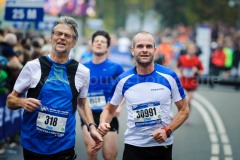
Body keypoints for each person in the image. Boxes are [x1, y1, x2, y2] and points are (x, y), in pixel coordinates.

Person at [6, 16, 103, 160]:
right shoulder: (33, 66)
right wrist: (22, 102)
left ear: (74, 42)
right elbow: (10, 100)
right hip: (33, 144)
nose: (62, 38)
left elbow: (82, 104)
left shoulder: (82, 72)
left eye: (67, 35)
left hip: (63, 145)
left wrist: (92, 127)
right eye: (58, 33)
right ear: (51, 37)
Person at [98, 31, 189, 160]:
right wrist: (102, 123)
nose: (145, 50)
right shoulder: (123, 80)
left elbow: (184, 110)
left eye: (148, 46)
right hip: (133, 146)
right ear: (133, 50)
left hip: (162, 146)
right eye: (140, 46)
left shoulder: (169, 76)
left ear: (155, 50)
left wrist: (167, 131)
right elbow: (108, 109)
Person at [81, 30, 124, 160]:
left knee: (110, 155)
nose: (99, 43)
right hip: (89, 113)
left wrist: (119, 106)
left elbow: (124, 89)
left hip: (108, 113)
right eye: (96, 41)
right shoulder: (83, 67)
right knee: (91, 149)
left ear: (107, 46)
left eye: (103, 42)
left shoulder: (116, 67)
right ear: (91, 45)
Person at [176, 41, 204, 124]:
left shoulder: (197, 60)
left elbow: (202, 71)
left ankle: (186, 116)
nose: (191, 51)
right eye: (190, 49)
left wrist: (197, 71)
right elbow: (177, 68)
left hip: (192, 84)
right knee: (186, 99)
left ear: (195, 50)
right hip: (183, 83)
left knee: (189, 101)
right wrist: (179, 73)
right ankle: (181, 115)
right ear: (187, 50)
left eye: (193, 49)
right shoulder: (182, 58)